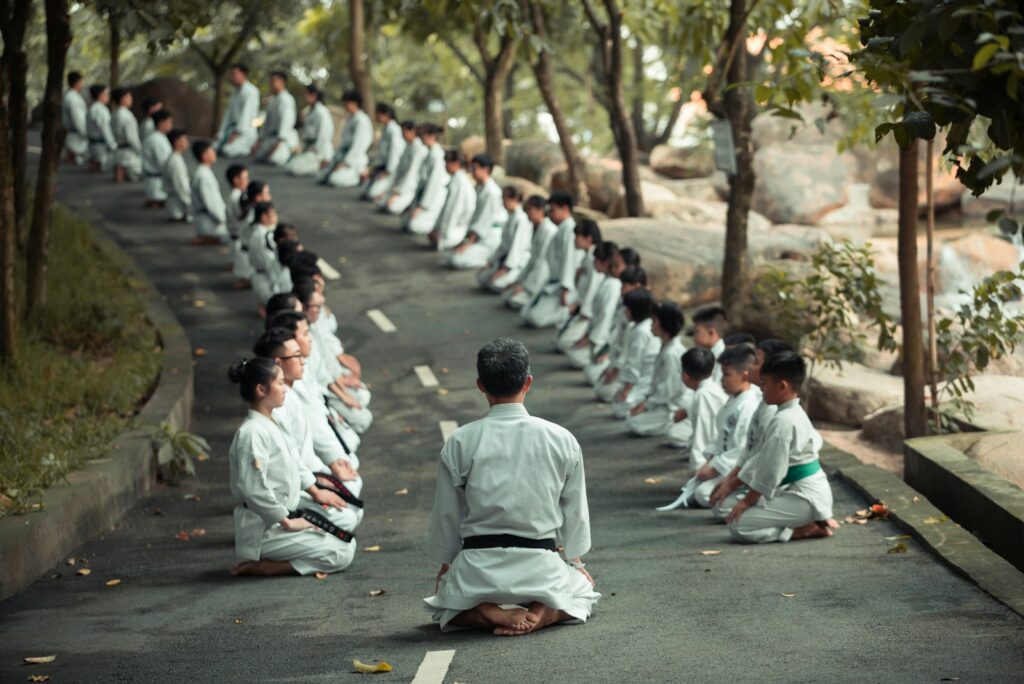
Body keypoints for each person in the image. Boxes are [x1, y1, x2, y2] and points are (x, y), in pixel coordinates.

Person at [424, 338, 599, 635]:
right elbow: (575, 510)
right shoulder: (561, 438)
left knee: (445, 608)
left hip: (479, 567)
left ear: (480, 385)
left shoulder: (460, 441)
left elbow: (447, 515)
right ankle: (545, 612)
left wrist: (448, 564)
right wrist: (574, 560)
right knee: (582, 591)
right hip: (541, 564)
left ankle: (485, 612)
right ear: (528, 382)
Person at [226, 357, 356, 576]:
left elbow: (294, 462)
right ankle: (267, 566)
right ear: (261, 389)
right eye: (279, 383)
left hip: (281, 518)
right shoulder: (251, 433)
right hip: (264, 529)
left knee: (346, 539)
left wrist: (316, 490)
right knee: (342, 553)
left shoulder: (270, 422)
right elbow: (254, 489)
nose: (285, 389)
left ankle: (277, 557)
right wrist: (287, 522)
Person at [255, 328, 364, 532]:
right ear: (278, 362)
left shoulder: (289, 392)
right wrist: (315, 487)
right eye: (297, 356)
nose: (303, 359)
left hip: (304, 477)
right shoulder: (275, 408)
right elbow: (287, 461)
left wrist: (325, 471)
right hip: (285, 496)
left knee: (352, 503)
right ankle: (266, 561)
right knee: (347, 520)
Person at [726, 352, 838, 542]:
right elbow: (767, 464)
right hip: (809, 494)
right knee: (737, 510)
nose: (761, 389)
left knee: (738, 525)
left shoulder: (784, 421)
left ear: (782, 385)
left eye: (765, 383)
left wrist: (747, 501)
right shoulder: (795, 412)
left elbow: (771, 470)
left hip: (805, 498)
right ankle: (807, 521)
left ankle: (801, 530)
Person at [658, 345, 762, 511]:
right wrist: (709, 462)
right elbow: (719, 437)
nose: (721, 380)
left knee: (703, 495)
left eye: (727, 375)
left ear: (744, 375)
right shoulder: (733, 400)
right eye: (721, 375)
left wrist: (715, 469)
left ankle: (749, 494)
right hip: (724, 463)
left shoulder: (748, 405)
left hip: (738, 468)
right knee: (695, 492)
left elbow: (741, 450)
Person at [709, 338, 793, 520]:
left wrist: (735, 488)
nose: (750, 367)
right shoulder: (763, 400)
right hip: (752, 477)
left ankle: (800, 527)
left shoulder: (774, 410)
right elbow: (749, 450)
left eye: (756, 362)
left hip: (776, 485)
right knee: (718, 503)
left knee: (729, 515)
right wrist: (728, 480)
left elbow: (763, 460)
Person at [625, 301, 687, 436]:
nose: (651, 324)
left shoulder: (671, 353)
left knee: (634, 421)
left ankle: (678, 422)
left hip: (672, 405)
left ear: (664, 323)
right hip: (660, 400)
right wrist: (645, 401)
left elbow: (668, 390)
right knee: (630, 411)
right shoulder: (665, 347)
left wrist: (646, 405)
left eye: (654, 320)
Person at [521, 192, 579, 328]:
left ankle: (568, 311)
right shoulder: (561, 229)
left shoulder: (570, 230)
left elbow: (569, 261)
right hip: (552, 281)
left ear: (565, 209)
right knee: (525, 313)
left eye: (552, 210)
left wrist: (565, 288)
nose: (550, 214)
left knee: (536, 319)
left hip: (563, 286)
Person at [583, 266, 646, 387]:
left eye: (624, 286)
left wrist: (616, 368)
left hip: (631, 365)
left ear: (637, 286)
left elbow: (629, 347)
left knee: (600, 383)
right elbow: (617, 337)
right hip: (617, 355)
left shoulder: (638, 313)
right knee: (592, 373)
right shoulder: (624, 306)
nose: (621, 289)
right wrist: (608, 353)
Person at [664, 347, 728, 460]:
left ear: (685, 375)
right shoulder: (707, 389)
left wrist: (698, 467)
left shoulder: (703, 394)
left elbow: (703, 437)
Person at [446, 154, 508, 269]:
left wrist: (468, 243)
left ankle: (490, 262)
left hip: (490, 237)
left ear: (486, 170)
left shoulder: (491, 192)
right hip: (481, 235)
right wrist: (464, 241)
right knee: (450, 254)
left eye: (475, 168)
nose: (472, 172)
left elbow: (483, 222)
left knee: (456, 259)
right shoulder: (480, 188)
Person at [552, 220, 603, 351]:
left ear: (588, 238)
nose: (575, 240)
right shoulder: (587, 257)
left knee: (563, 342)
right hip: (581, 304)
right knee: (560, 337)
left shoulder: (594, 260)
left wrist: (583, 311)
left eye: (577, 236)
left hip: (589, 310)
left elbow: (593, 289)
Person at [475, 186, 532, 292]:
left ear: (514, 199)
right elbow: (503, 245)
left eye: (505, 199)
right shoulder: (510, 217)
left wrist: (505, 269)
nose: (503, 202)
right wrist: (491, 261)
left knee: (495, 284)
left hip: (516, 263)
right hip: (504, 260)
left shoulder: (521, 219)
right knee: (482, 278)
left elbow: (517, 248)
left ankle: (512, 280)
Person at [321, 90, 373, 188]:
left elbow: (359, 145)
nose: (344, 105)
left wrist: (345, 163)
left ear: (355, 103)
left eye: (346, 102)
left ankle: (360, 175)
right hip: (343, 155)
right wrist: (334, 160)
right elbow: (344, 142)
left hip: (355, 159)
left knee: (335, 179)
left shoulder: (362, 120)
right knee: (322, 176)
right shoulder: (350, 119)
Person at [401, 124, 447, 235]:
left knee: (413, 226)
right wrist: (412, 205)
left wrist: (421, 207)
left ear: (432, 136)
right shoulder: (429, 153)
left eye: (423, 135)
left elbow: (433, 184)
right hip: (423, 195)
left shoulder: (437, 156)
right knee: (405, 221)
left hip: (433, 199)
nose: (421, 137)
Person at [428, 150, 476, 251]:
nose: (445, 166)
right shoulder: (456, 179)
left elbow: (453, 210)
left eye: (448, 163)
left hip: (458, 227)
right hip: (455, 225)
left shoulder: (460, 182)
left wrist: (442, 233)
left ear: (456, 163)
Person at [286, 85, 335, 177]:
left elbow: (324, 135)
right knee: (289, 165)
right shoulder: (308, 112)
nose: (305, 97)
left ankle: (322, 165)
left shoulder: (321, 112)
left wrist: (317, 151)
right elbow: (306, 133)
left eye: (307, 94)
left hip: (320, 151)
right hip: (309, 148)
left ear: (314, 95)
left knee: (294, 168)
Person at [254, 71, 299, 167]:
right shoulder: (273, 100)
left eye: (273, 81)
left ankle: (291, 153)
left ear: (281, 82)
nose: (270, 84)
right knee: (259, 157)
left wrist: (279, 142)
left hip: (283, 139)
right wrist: (259, 140)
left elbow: (286, 123)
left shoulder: (287, 100)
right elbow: (267, 123)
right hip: (271, 138)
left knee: (275, 160)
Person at [216, 63, 261, 158]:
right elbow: (228, 115)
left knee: (227, 150)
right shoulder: (234, 93)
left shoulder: (251, 91)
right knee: (215, 147)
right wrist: (221, 132)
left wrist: (236, 133)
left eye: (234, 74)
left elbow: (246, 115)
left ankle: (248, 148)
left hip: (245, 132)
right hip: (231, 130)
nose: (231, 77)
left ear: (243, 74)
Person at [362, 103, 406, 200]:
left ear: (385, 114)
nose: (376, 116)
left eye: (377, 114)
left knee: (372, 193)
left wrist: (388, 171)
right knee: (365, 191)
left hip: (391, 169)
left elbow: (395, 152)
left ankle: (385, 193)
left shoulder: (394, 130)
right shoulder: (386, 128)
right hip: (382, 167)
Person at [381, 121, 426, 214]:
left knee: (392, 207)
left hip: (410, 187)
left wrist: (398, 192)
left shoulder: (418, 149)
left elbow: (411, 174)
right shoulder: (408, 146)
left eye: (404, 131)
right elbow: (399, 170)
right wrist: (391, 188)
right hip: (401, 183)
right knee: (382, 202)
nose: (402, 134)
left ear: (412, 131)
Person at [190, 140, 228, 245]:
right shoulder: (203, 176)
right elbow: (211, 203)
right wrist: (224, 219)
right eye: (211, 151)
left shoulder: (203, 172)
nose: (214, 154)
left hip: (207, 221)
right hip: (211, 223)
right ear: (204, 155)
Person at [225, 164, 253, 288]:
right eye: (245, 178)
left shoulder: (236, 195)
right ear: (236, 180)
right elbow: (242, 219)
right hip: (239, 238)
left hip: (236, 237)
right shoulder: (237, 197)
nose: (247, 181)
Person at [141, 110, 173, 208]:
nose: (171, 125)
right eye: (169, 122)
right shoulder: (156, 140)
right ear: (161, 123)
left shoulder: (158, 137)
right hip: (157, 183)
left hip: (155, 182)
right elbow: (164, 163)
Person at [111, 88, 142, 182]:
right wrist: (140, 150)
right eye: (128, 97)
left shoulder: (115, 113)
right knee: (137, 173)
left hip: (118, 150)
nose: (131, 99)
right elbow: (131, 138)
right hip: (128, 152)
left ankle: (120, 173)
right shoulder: (127, 116)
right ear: (122, 99)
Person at [690, 306, 728, 382]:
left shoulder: (723, 359)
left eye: (697, 331)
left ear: (711, 333)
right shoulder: (707, 356)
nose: (694, 336)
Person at [86, 84, 117, 172]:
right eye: (106, 94)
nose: (108, 97)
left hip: (93, 145)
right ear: (100, 95)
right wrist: (113, 145)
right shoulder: (100, 110)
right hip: (100, 147)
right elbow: (105, 129)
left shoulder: (92, 108)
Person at [163, 129, 191, 222]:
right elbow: (181, 187)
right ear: (177, 142)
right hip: (177, 206)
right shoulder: (176, 161)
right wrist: (190, 205)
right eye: (185, 140)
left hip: (175, 203)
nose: (187, 142)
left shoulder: (175, 158)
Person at [62, 72, 88, 164]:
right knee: (72, 157)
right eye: (82, 81)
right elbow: (77, 118)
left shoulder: (70, 96)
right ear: (78, 82)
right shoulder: (73, 98)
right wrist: (85, 133)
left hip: (72, 132)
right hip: (75, 133)